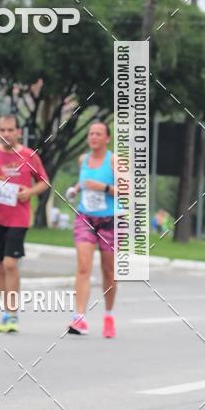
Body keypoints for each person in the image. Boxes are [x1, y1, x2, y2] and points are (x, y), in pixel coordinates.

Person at [0, 114, 49, 333]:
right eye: (2, 130)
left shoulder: (28, 155)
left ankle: (13, 314)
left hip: (19, 217)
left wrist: (30, 192)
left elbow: (44, 182)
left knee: (10, 264)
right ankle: (6, 312)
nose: (6, 134)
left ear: (18, 132)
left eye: (11, 130)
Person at [66, 121, 119, 338]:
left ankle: (108, 315)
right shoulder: (83, 160)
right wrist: (75, 189)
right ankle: (79, 318)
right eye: (91, 133)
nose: (93, 137)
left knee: (108, 271)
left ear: (107, 138)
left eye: (98, 134)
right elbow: (84, 182)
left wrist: (105, 188)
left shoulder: (115, 161)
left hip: (110, 220)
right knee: (83, 266)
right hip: (85, 217)